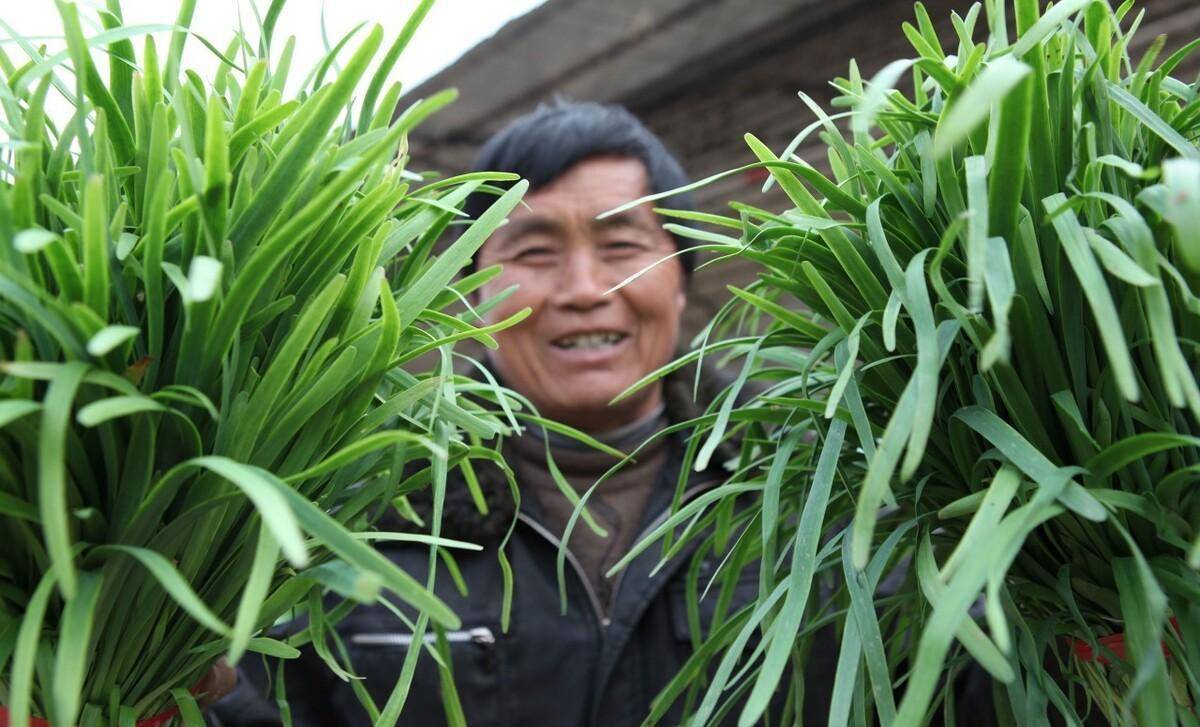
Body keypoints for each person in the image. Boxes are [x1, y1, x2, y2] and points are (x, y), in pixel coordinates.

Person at [212, 99, 831, 726]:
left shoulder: (814, 483)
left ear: (679, 276)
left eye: (621, 244)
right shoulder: (363, 503)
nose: (586, 289)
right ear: (472, 289)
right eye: (535, 252)